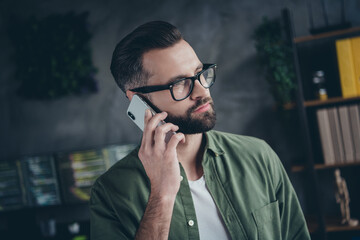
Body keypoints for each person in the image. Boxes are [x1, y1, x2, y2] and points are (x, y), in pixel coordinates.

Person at [90, 21, 310, 240]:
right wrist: (162, 196)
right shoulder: (111, 192)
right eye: (179, 84)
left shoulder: (258, 156)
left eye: (199, 73)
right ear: (138, 100)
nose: (201, 90)